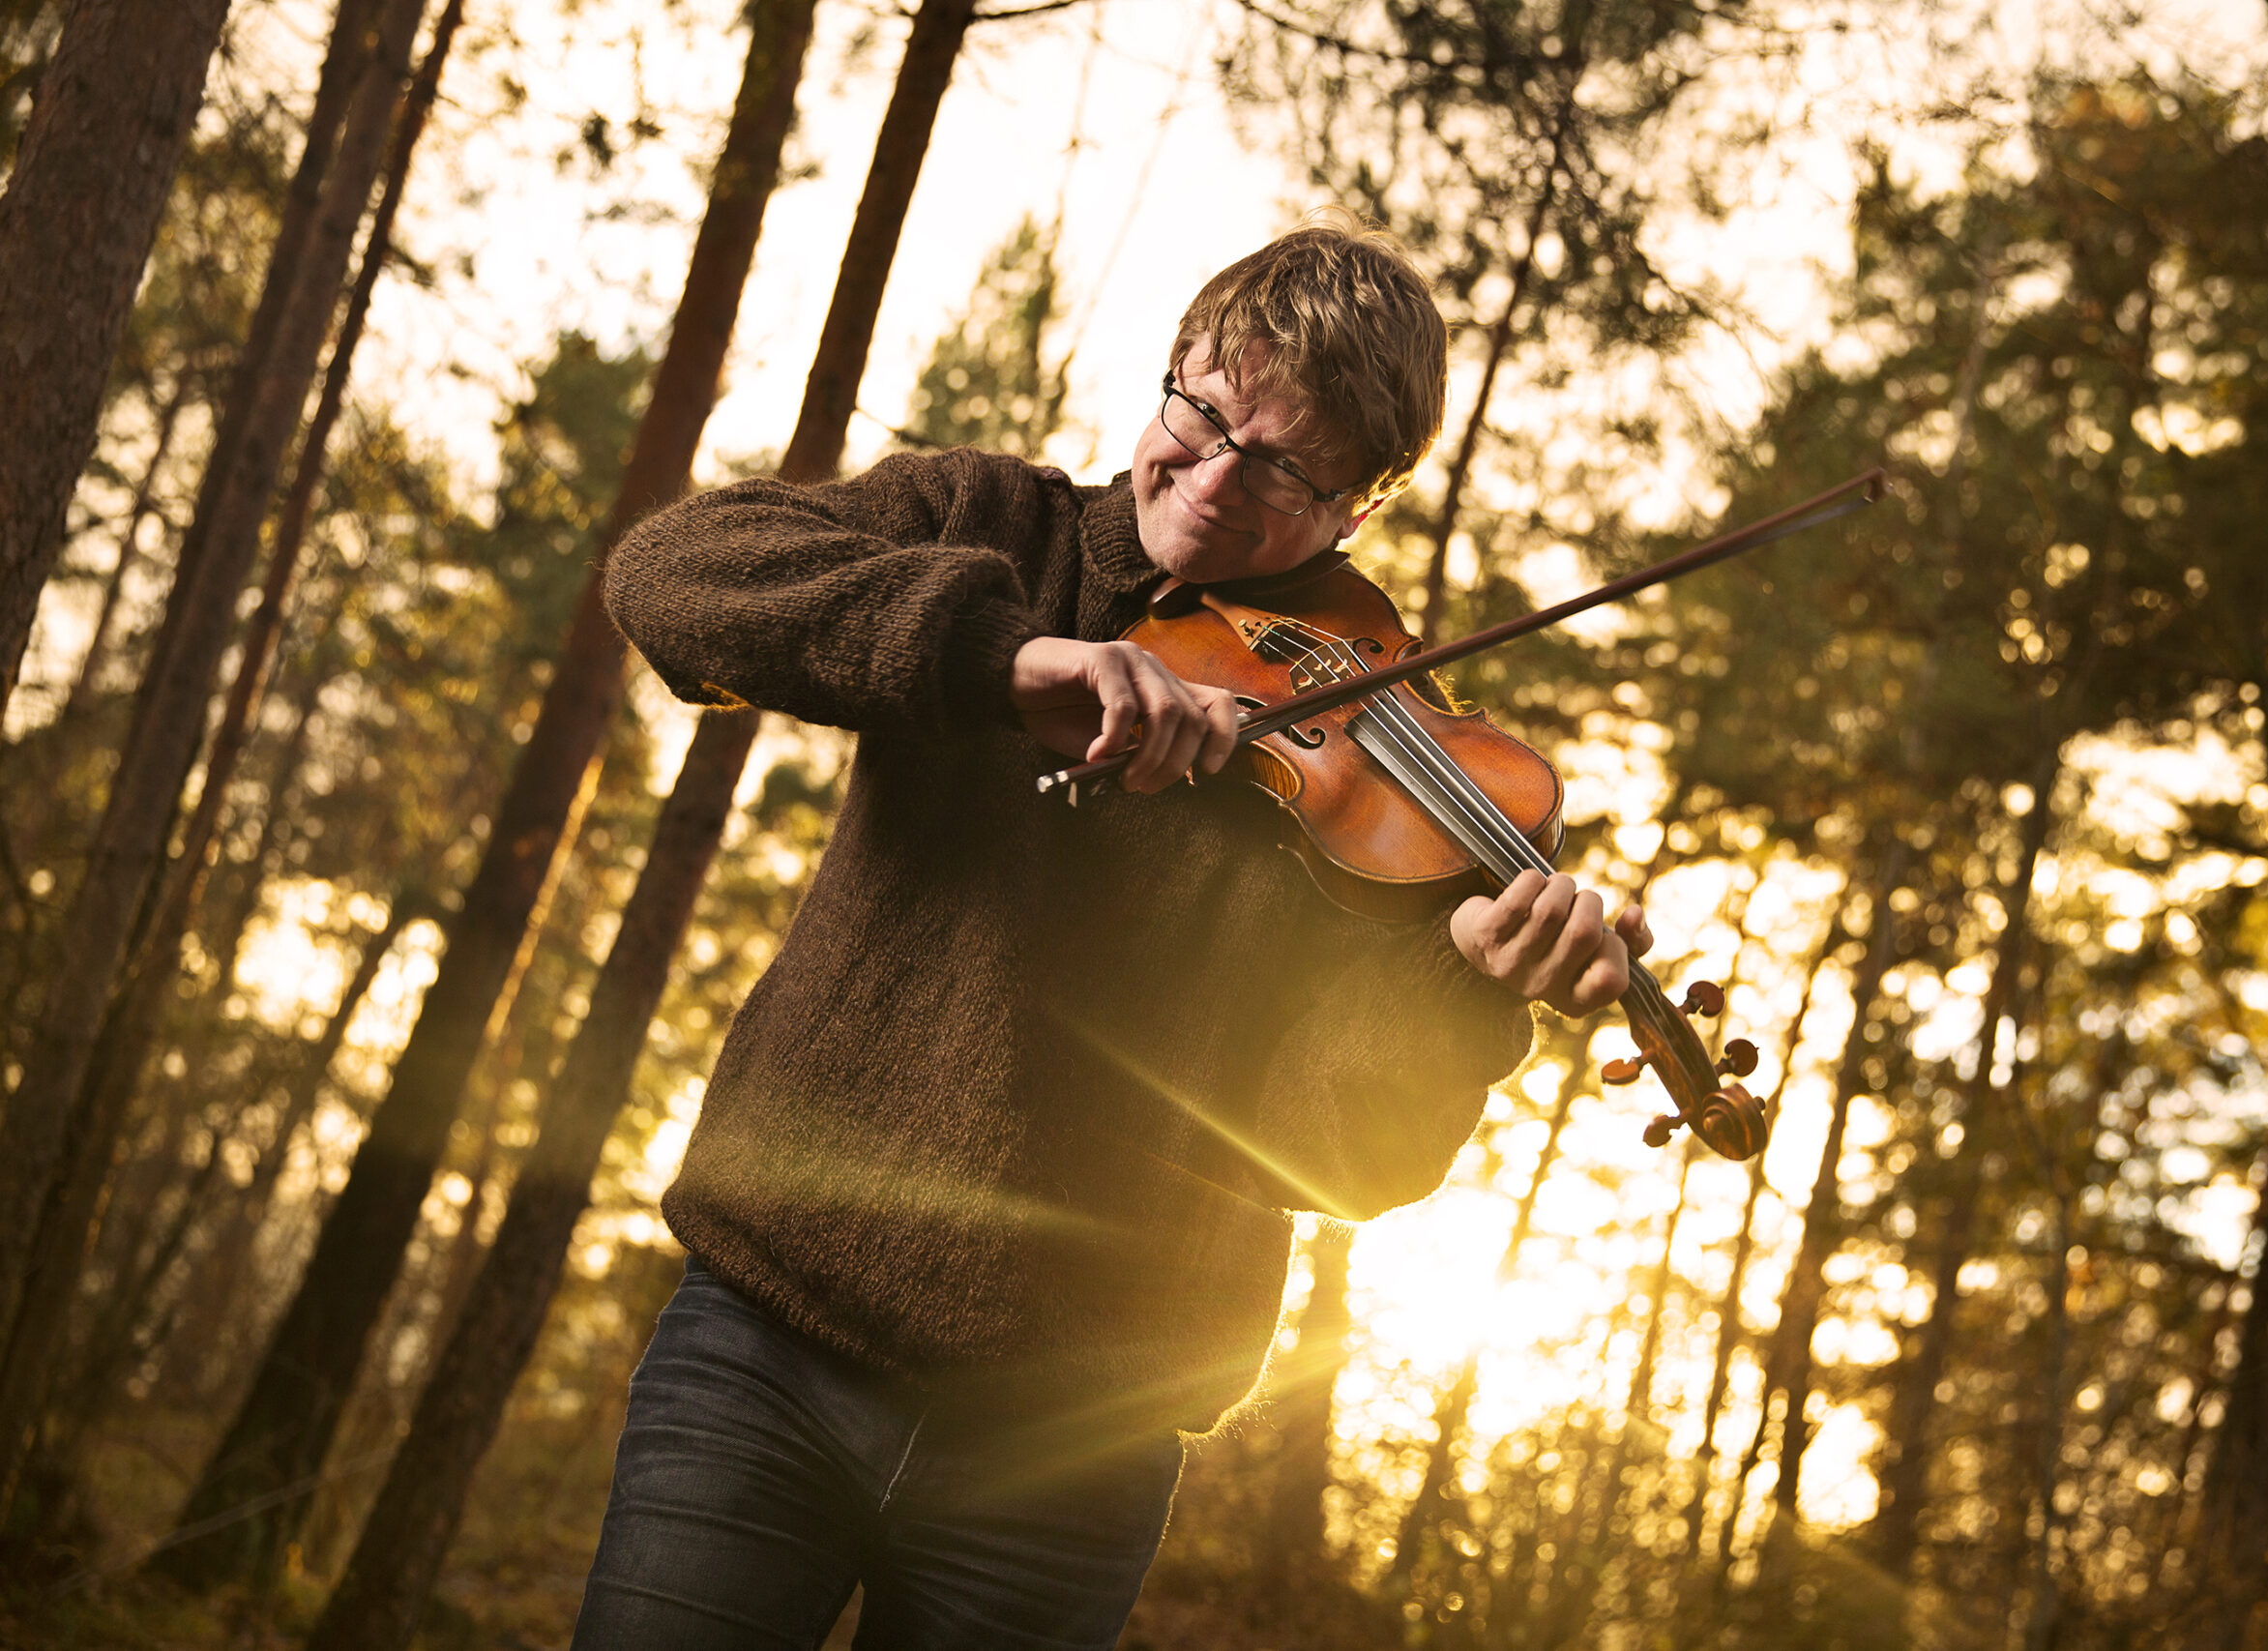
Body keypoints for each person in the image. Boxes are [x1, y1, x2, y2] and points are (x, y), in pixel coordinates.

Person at [574, 215, 1652, 1650]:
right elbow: (677, 574)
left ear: (1362, 505)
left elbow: (1346, 1159)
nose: (1210, 486)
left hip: (1074, 1459)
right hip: (770, 1337)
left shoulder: (1409, 791)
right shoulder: (994, 528)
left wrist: (1463, 1003)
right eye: (1199, 415)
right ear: (1174, 375)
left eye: (1280, 471)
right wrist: (998, 659)